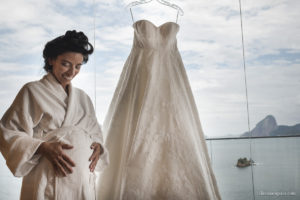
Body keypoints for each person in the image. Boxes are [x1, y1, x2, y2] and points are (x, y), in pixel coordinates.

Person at [97, 10, 222, 200]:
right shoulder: (133, 7)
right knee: (131, 136)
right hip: (139, 78)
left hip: (172, 81)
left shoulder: (176, 11)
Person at [0, 30, 109, 200]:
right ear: (51, 60)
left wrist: (99, 148)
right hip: (46, 177)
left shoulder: (83, 98)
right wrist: (42, 147)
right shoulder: (33, 91)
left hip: (81, 182)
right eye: (66, 64)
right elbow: (8, 131)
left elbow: (96, 133)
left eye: (78, 66)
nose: (72, 71)